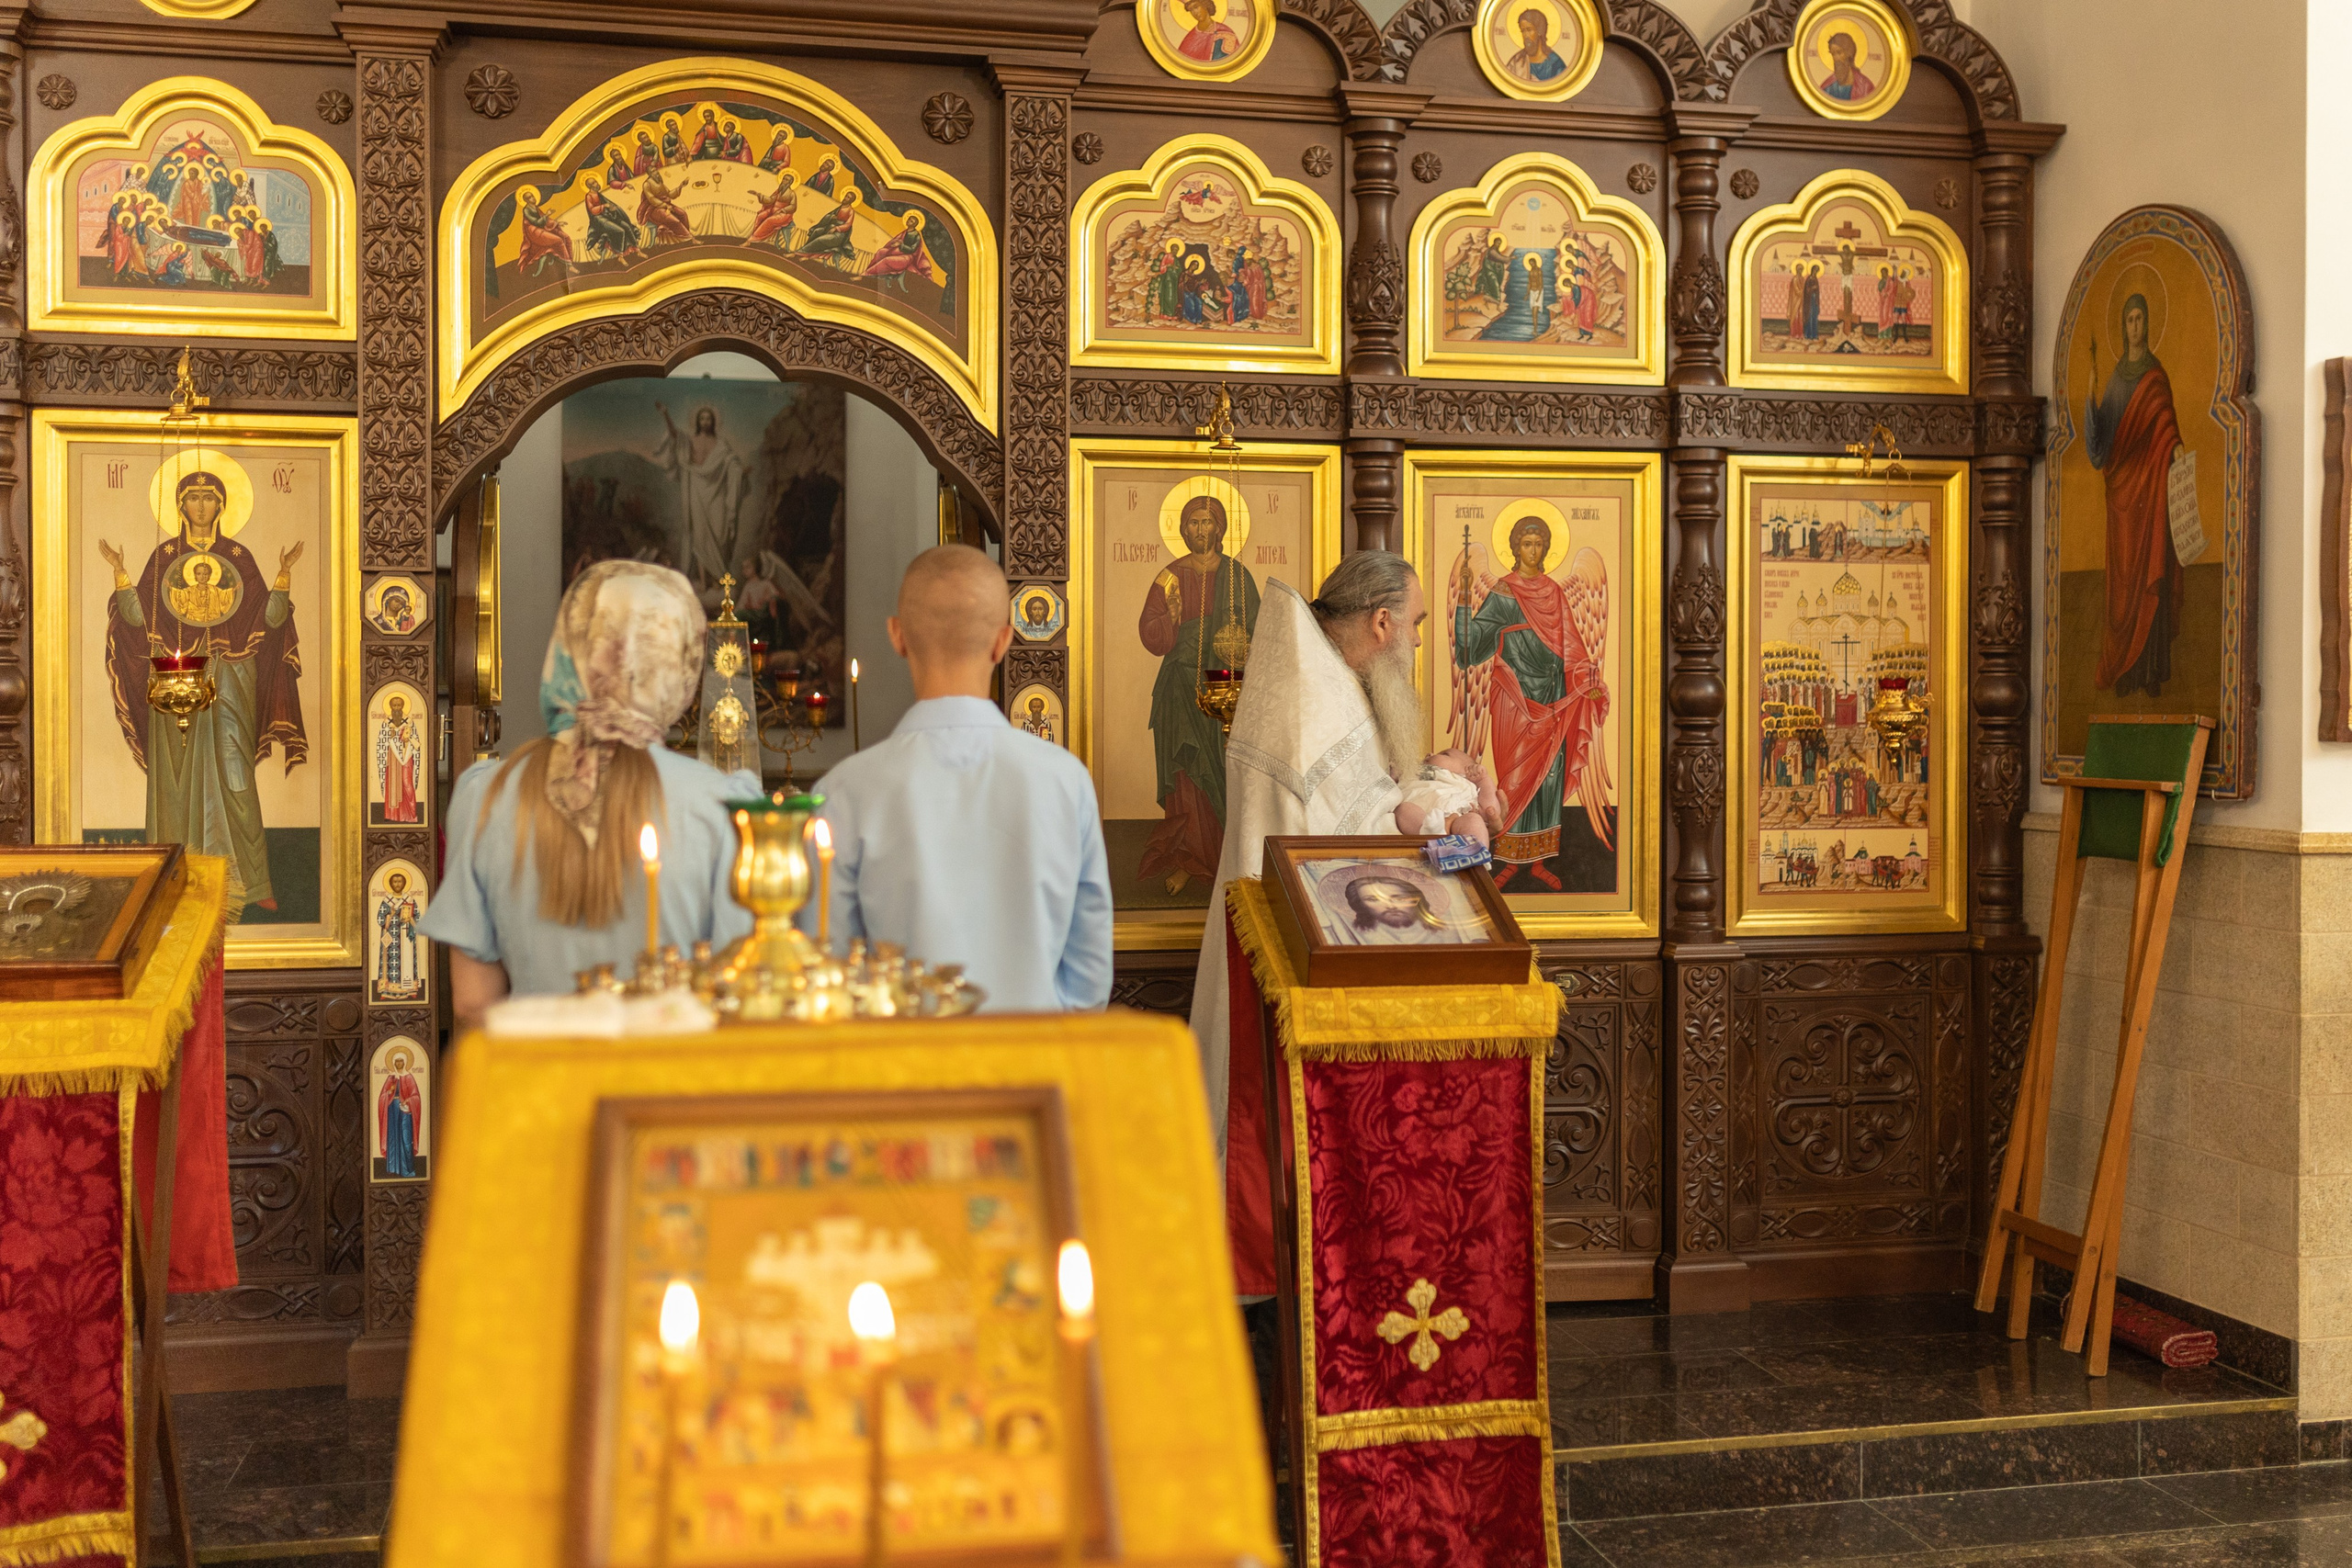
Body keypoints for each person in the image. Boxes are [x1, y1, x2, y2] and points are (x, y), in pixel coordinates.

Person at [421, 562, 760, 1026]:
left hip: (537, 1071)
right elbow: (737, 998)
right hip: (672, 1071)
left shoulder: (485, 795)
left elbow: (473, 1003)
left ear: (570, 643)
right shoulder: (725, 806)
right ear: (678, 664)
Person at [1188, 550, 1423, 1160]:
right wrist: (1445, 823)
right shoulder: (1320, 700)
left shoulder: (1324, 681)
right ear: (1382, 622)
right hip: (1295, 953)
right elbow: (1355, 839)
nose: (1418, 641)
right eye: (1416, 623)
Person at [807, 547, 1111, 1011]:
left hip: (900, 1055)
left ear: (897, 635)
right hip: (1038, 1052)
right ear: (1003, 641)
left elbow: (828, 968)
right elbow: (1089, 979)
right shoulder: (1066, 782)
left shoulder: (844, 792)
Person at [102, 465, 304, 915]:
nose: (200, 505)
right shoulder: (164, 556)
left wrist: (283, 576)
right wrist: (120, 574)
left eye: (209, 497)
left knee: (236, 773)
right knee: (173, 778)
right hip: (175, 679)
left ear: (221, 505)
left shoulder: (238, 556)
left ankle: (252, 881)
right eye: (192, 498)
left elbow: (269, 620)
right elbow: (138, 619)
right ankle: (171, 882)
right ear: (180, 506)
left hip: (231, 675)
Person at [2086, 291, 2185, 696]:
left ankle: (2150, 671)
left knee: (2150, 572)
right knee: (2124, 581)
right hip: (2123, 493)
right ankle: (2125, 671)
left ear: (2148, 323)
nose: (2135, 327)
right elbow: (2103, 439)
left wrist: (2175, 446)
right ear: (2123, 326)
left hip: (2151, 488)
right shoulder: (2116, 378)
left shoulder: (2156, 374)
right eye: (2129, 320)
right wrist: (2091, 397)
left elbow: (2165, 420)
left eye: (2140, 319)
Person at [1505, 6, 1567, 82]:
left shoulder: (1556, 63)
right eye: (1523, 31)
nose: (1525, 35)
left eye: (1529, 30)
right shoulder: (1516, 61)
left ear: (1540, 31)